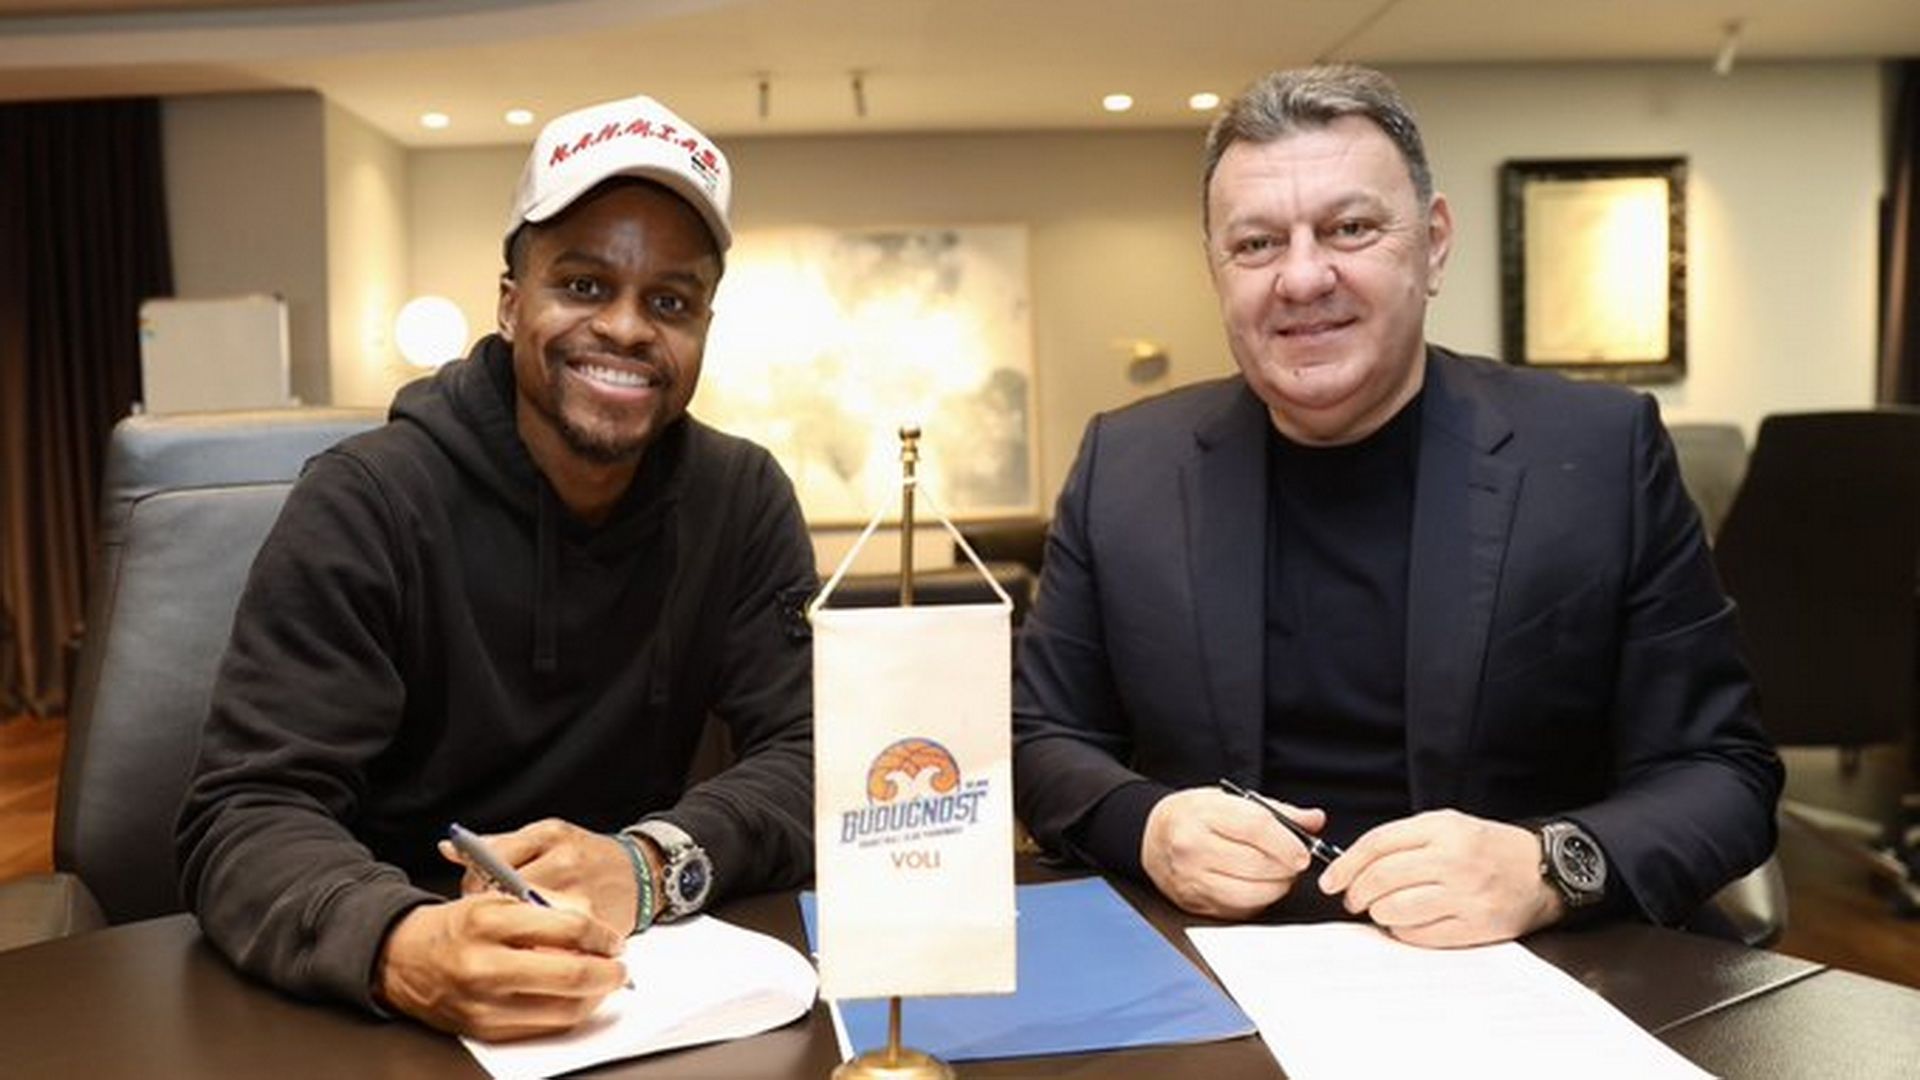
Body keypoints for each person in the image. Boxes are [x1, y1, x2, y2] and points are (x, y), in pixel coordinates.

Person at [1012, 65, 1782, 948]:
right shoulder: (1125, 464)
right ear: (1216, 271)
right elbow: (1041, 737)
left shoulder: (1600, 453)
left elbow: (1723, 772)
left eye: (1350, 228)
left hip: (1535, 966)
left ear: (1434, 245)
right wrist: (1146, 826)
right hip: (1220, 968)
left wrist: (1548, 866)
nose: (1303, 277)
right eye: (1257, 244)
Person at [176, 94, 817, 1039]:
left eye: (669, 302)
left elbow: (815, 756)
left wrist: (648, 864)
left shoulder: (742, 497)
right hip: (385, 1001)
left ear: (704, 329)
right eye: (585, 285)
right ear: (513, 305)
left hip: (643, 988)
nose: (628, 328)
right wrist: (399, 942)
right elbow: (246, 811)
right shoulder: (365, 501)